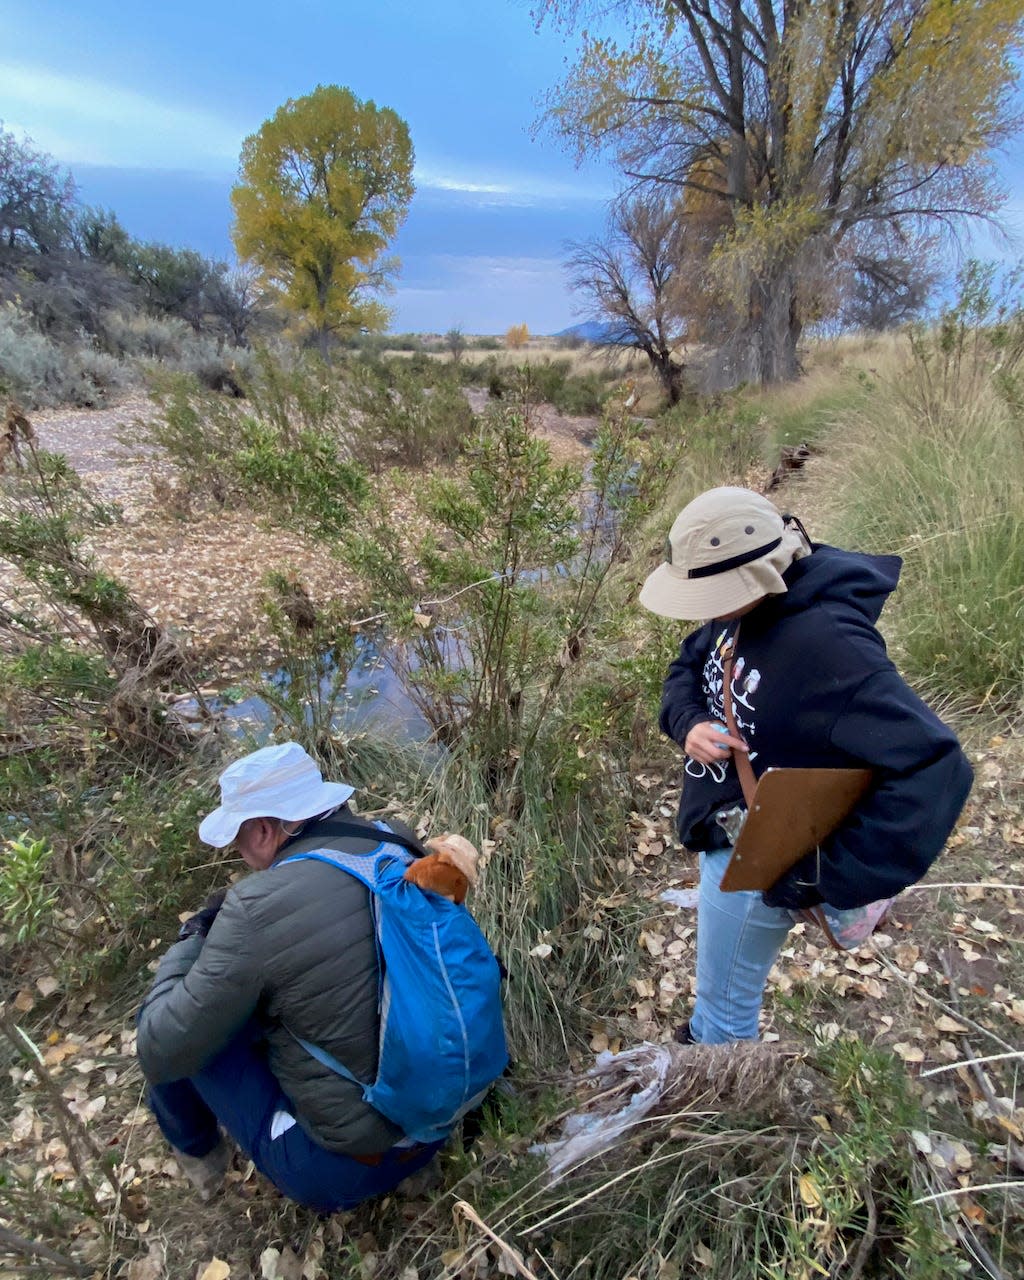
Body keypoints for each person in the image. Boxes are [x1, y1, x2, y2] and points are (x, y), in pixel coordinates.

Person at [639, 487, 973, 1045]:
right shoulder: (742, 609)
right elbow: (688, 664)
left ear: (759, 570)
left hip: (766, 864)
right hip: (730, 833)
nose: (705, 610)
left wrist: (818, 876)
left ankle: (714, 1108)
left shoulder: (829, 647)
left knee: (723, 1012)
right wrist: (688, 721)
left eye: (714, 592)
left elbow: (934, 767)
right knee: (722, 989)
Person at [136, 741, 444, 1212]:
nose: (236, 851)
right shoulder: (393, 840)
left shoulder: (256, 909)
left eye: (237, 837)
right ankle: (418, 1159)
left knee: (173, 1021)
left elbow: (159, 1050)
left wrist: (190, 940)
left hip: (343, 1168)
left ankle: (203, 1159)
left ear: (262, 830)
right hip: (445, 1108)